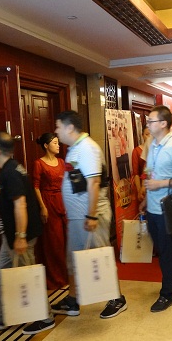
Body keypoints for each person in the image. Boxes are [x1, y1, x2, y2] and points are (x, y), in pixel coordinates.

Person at [0, 132, 54, 334]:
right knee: (1, 273)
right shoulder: (11, 168)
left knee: (28, 275)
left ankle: (45, 317)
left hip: (20, 236)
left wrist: (21, 236)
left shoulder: (11, 173)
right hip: (11, 236)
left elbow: (20, 205)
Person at [51, 110, 128, 318]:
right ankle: (73, 300)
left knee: (100, 257)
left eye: (58, 127)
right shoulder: (74, 148)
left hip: (91, 215)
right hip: (78, 216)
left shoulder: (87, 148)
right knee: (73, 258)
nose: (56, 131)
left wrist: (92, 216)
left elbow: (94, 183)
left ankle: (117, 299)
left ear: (69, 128)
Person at [140, 105, 172, 312]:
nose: (147, 124)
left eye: (151, 121)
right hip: (152, 206)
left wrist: (160, 184)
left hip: (167, 209)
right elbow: (151, 173)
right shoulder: (152, 144)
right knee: (162, 248)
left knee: (167, 252)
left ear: (163, 123)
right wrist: (146, 199)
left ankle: (166, 294)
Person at [32, 132, 68, 290]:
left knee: (66, 239)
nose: (58, 145)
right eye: (55, 143)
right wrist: (42, 207)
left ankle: (67, 275)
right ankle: (55, 278)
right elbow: (36, 186)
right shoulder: (39, 163)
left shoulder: (61, 162)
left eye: (58, 142)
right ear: (46, 145)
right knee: (54, 242)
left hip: (62, 201)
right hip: (48, 202)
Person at [132, 126, 151, 202]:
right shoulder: (137, 151)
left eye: (151, 134)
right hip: (142, 183)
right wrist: (140, 189)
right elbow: (136, 173)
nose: (149, 137)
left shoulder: (155, 149)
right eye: (147, 134)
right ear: (142, 135)